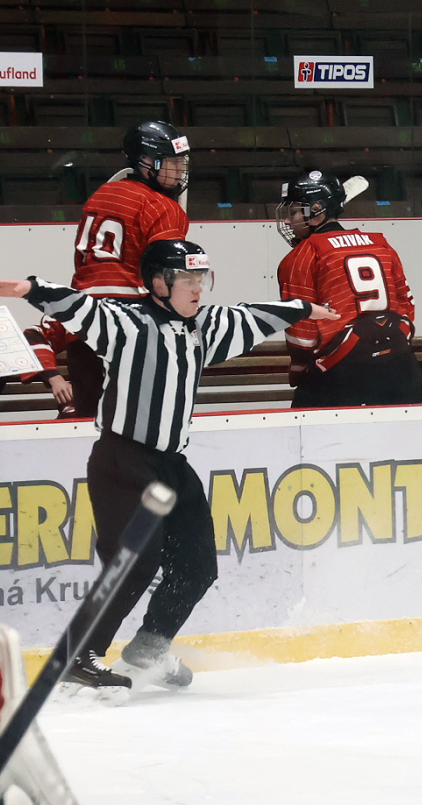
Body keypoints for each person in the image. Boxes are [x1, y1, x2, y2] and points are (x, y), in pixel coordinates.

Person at [3, 244, 330, 694]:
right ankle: (82, 655)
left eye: (202, 280)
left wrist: (305, 307)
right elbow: (78, 307)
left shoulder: (203, 328)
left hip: (171, 465)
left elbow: (252, 316)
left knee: (197, 568)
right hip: (123, 460)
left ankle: (150, 647)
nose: (199, 289)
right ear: (158, 283)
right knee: (134, 562)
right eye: (188, 280)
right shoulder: (127, 324)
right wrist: (30, 289)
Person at [52, 121, 191, 420]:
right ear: (146, 162)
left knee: (91, 427)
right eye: (172, 163)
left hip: (84, 323)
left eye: (182, 163)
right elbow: (167, 275)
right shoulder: (164, 207)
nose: (180, 171)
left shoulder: (99, 196)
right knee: (142, 428)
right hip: (131, 327)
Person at [275, 171, 422, 409]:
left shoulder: (301, 256)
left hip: (341, 378)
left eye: (294, 212)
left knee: (308, 441)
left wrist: (300, 371)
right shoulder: (381, 244)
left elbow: (301, 335)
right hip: (403, 371)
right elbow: (406, 306)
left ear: (316, 211)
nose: (287, 221)